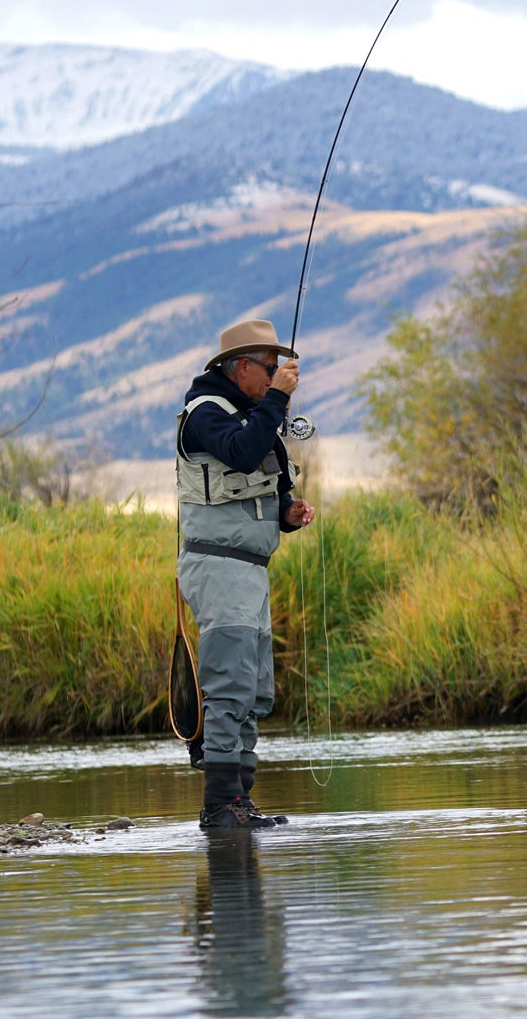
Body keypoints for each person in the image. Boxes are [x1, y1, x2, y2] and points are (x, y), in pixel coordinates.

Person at [176, 318, 317, 829]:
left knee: (254, 691)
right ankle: (219, 806)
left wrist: (286, 513)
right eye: (270, 369)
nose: (278, 375)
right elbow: (239, 451)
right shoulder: (205, 415)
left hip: (249, 570)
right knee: (229, 686)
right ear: (241, 368)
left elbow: (257, 479)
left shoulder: (246, 413)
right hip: (218, 568)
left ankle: (241, 799)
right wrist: (276, 401)